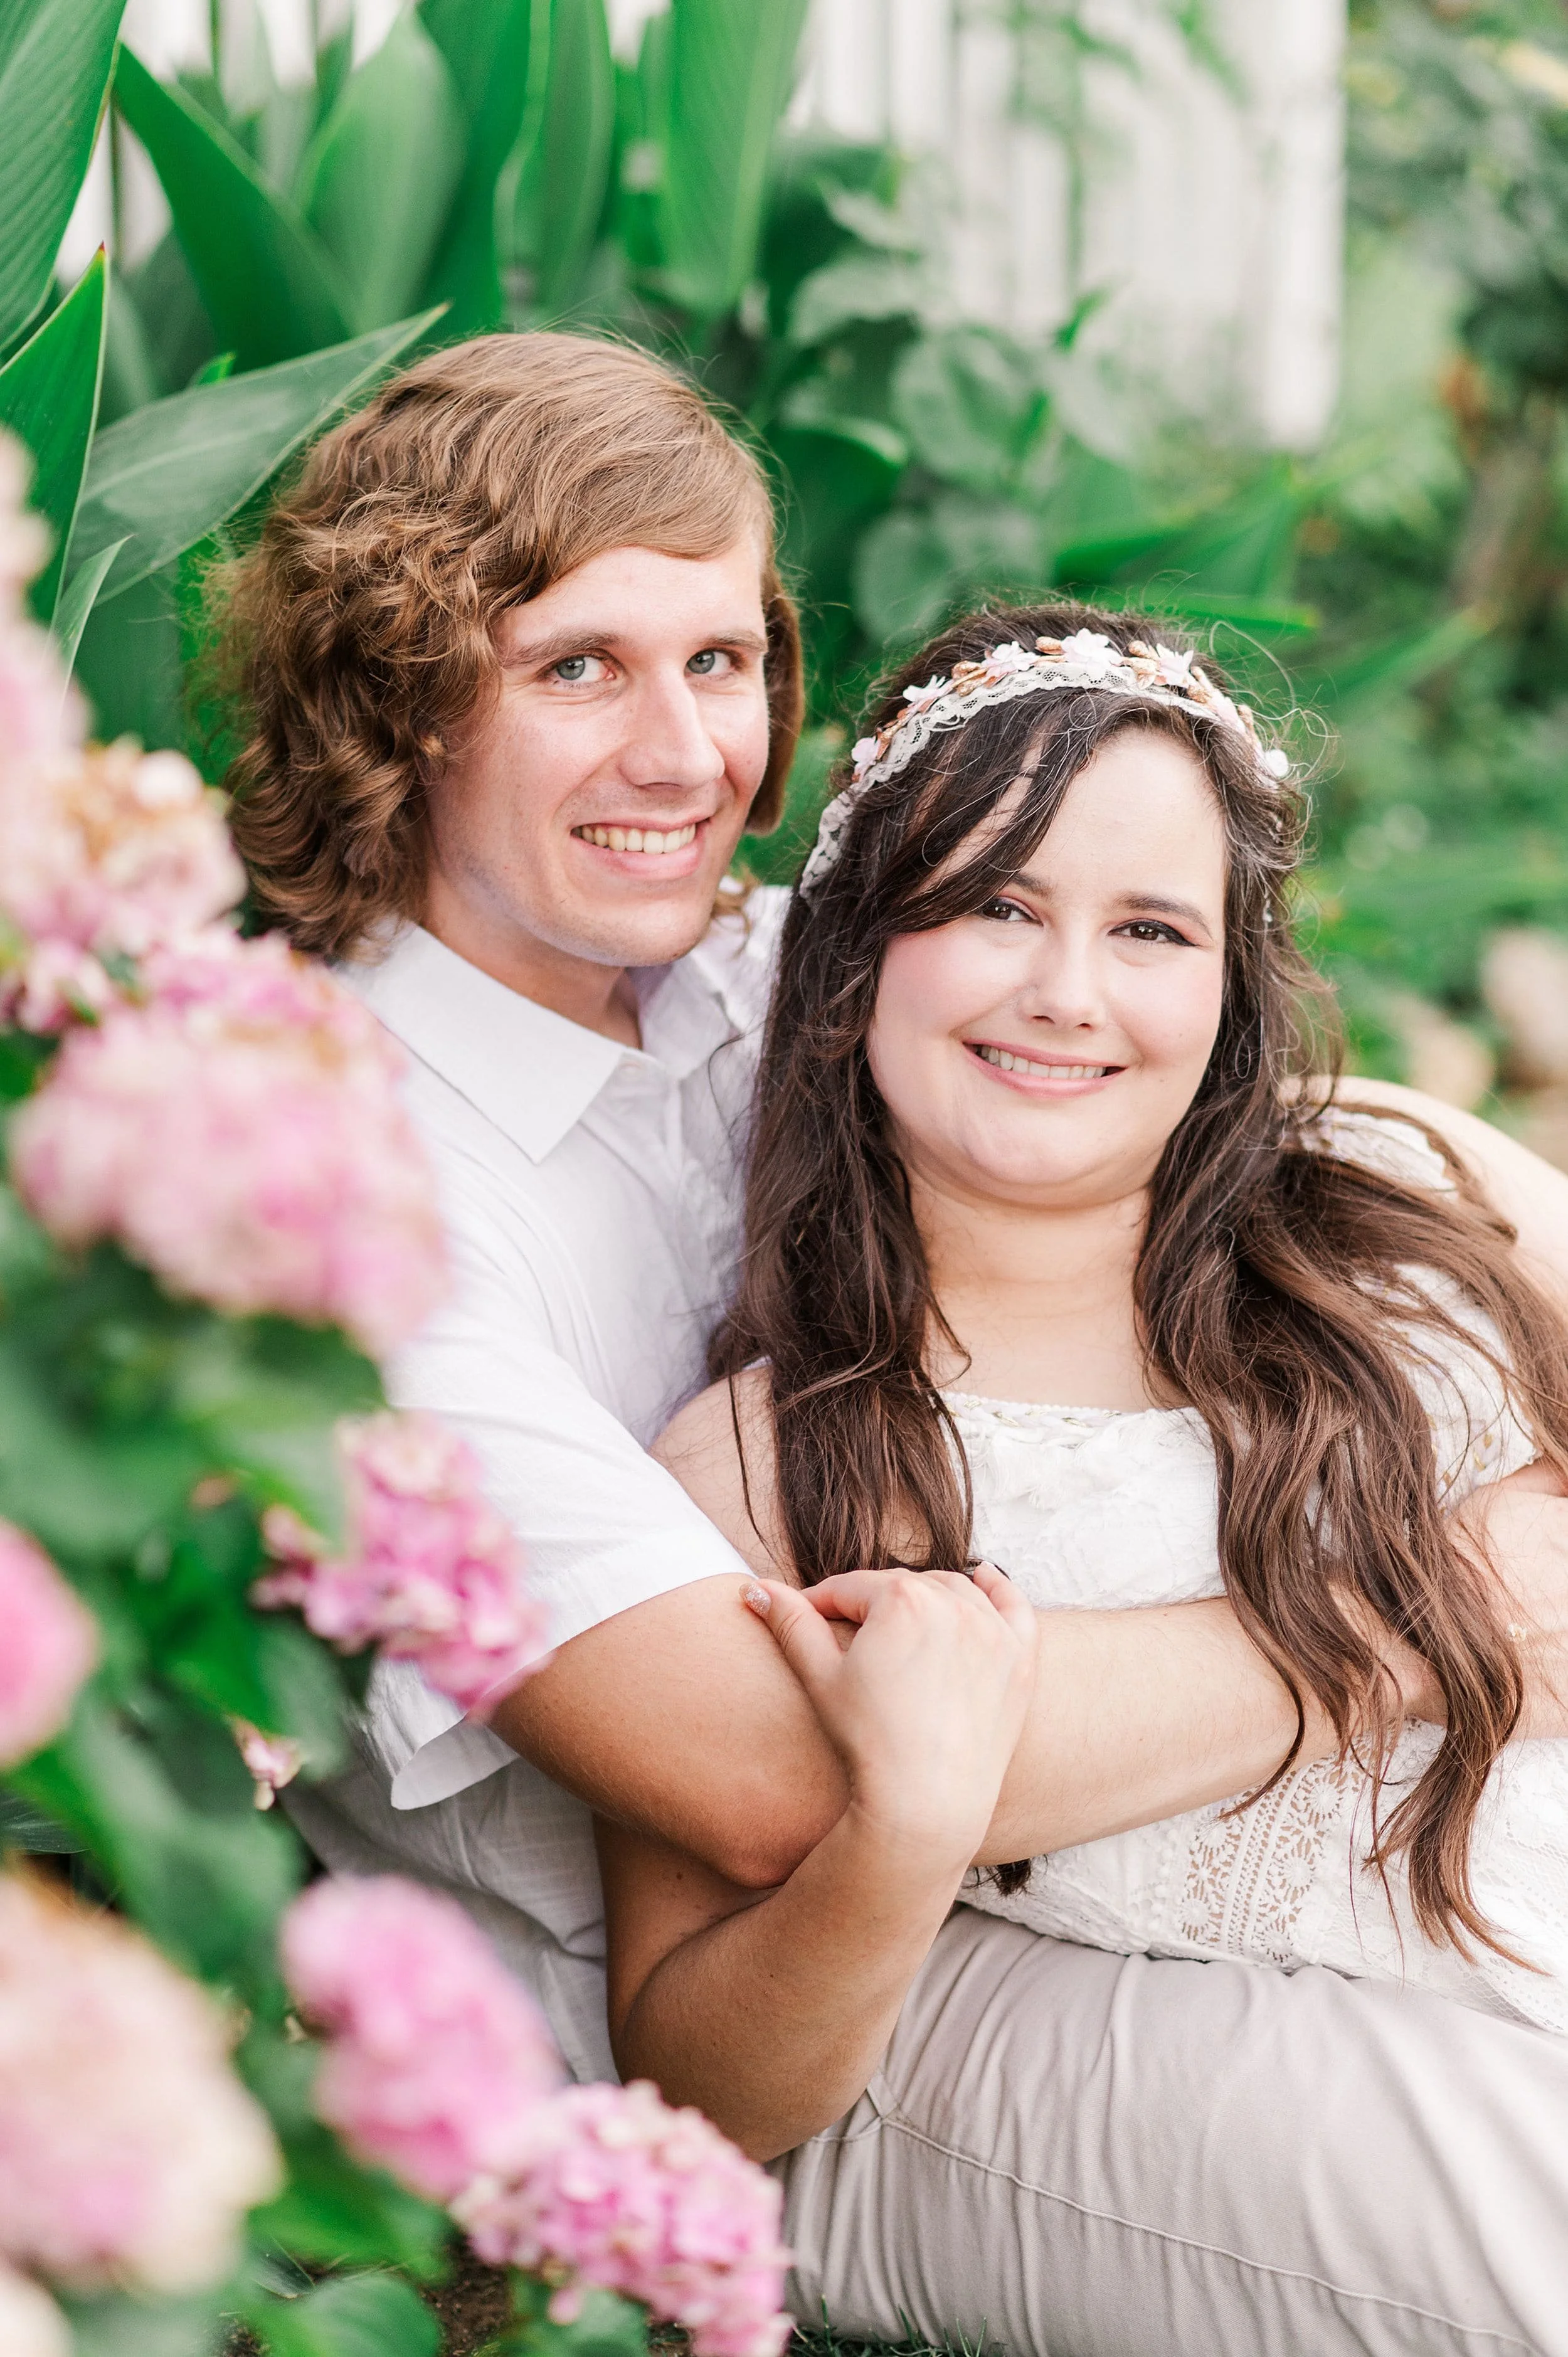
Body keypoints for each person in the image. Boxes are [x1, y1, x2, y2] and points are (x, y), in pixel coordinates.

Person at [223, 332, 1568, 2354]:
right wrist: (1444, 1599)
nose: (687, 759)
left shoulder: (738, 960)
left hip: (1182, 1855)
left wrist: (1464, 1196)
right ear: (396, 700)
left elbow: (1113, 1038)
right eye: (575, 666)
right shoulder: (335, 1207)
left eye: (720, 660)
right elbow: (788, 1777)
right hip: (756, 2028)